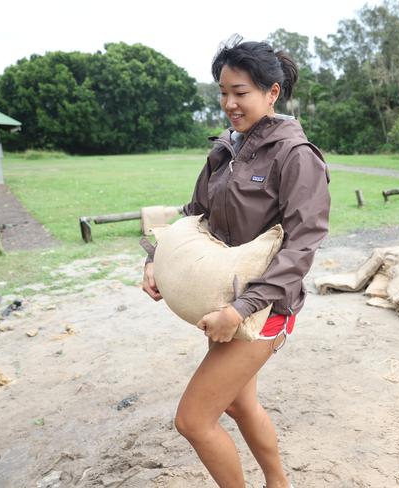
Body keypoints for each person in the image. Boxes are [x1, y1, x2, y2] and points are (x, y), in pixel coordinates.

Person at [141, 36, 330, 488]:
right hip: (226, 302)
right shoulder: (226, 150)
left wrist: (239, 310)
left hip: (262, 311)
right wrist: (155, 260)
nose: (229, 103)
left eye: (240, 92)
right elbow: (193, 215)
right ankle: (279, 484)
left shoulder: (296, 157)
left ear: (271, 92)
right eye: (223, 92)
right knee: (238, 404)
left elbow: (301, 247)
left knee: (193, 421)